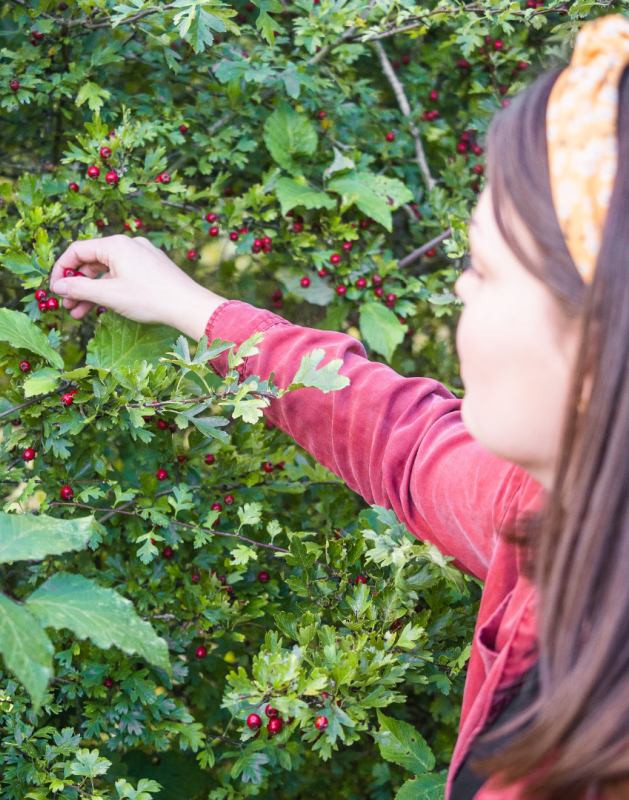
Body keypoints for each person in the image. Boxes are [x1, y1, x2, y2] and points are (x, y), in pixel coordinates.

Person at [47, 14, 629, 799]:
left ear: (601, 341)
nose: (460, 285)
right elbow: (410, 444)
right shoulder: (560, 510)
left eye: (485, 270)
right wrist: (195, 308)